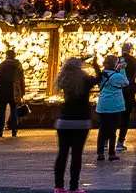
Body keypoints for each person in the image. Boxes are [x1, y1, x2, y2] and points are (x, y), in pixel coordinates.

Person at [54, 57, 97, 193]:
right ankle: (74, 187)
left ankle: (59, 186)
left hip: (64, 120)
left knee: (62, 154)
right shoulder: (85, 80)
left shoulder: (64, 80)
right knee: (76, 155)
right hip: (81, 121)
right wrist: (95, 65)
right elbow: (100, 79)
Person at [0, 49, 23, 137]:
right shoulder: (18, 65)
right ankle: (14, 131)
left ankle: (0, 131)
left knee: (2, 111)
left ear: (6, 55)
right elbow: (21, 79)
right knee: (14, 111)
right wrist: (21, 92)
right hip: (14, 91)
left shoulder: (3, 65)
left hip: (3, 91)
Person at [117, 43, 136, 151]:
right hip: (129, 93)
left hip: (117, 92)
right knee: (125, 118)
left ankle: (105, 142)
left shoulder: (116, 61)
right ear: (131, 50)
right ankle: (120, 142)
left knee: (114, 117)